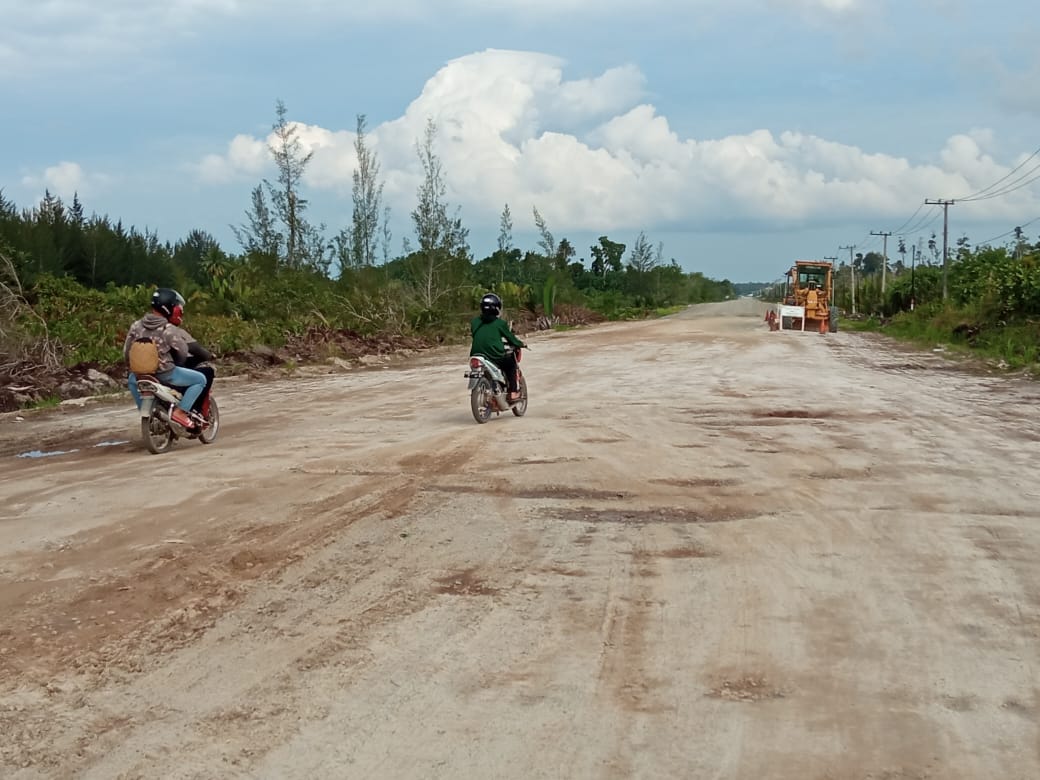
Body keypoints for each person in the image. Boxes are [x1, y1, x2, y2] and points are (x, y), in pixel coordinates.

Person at [123, 288, 208, 429]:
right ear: (169, 308)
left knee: (132, 382)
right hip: (165, 373)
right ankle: (180, 412)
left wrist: (132, 368)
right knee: (200, 380)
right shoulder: (168, 328)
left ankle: (148, 414)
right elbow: (182, 351)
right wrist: (178, 363)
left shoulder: (136, 326)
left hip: (139, 375)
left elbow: (127, 351)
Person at [470, 292, 526, 400]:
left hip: (476, 355)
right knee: (511, 364)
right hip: (494, 356)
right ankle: (513, 393)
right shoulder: (499, 323)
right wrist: (520, 344)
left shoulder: (474, 322)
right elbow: (511, 338)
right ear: (496, 308)